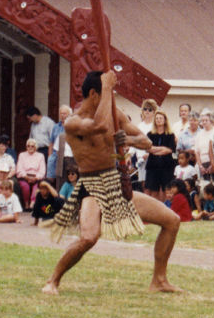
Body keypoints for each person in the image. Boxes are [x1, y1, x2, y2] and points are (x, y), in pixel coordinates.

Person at [42, 69, 181, 294]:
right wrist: (107, 88)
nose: (112, 97)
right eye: (108, 92)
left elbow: (146, 142)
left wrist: (130, 140)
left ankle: (159, 280)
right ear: (95, 94)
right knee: (89, 237)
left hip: (115, 183)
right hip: (91, 187)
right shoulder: (73, 122)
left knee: (172, 221)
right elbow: (100, 127)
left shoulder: (116, 115)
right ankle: (52, 280)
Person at [143, 109, 177, 199]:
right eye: (157, 118)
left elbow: (170, 150)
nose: (158, 120)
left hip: (166, 166)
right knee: (152, 189)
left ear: (165, 120)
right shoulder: (150, 134)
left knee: (166, 189)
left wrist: (155, 150)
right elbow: (148, 148)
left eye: (160, 118)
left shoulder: (170, 134)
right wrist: (162, 148)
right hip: (153, 166)